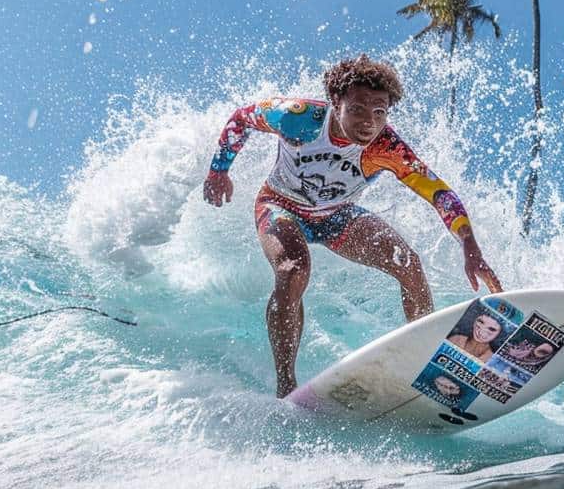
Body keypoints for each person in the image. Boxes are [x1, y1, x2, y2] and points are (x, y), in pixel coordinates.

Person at [202, 54, 502, 398]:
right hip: (280, 206)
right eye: (358, 109)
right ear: (336, 102)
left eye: (379, 112)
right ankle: (286, 384)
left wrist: (469, 245)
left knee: (408, 263)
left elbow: (440, 194)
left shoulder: (387, 147)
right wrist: (218, 170)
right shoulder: (298, 117)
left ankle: (426, 361)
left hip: (335, 215)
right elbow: (242, 118)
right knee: (293, 270)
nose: (368, 122)